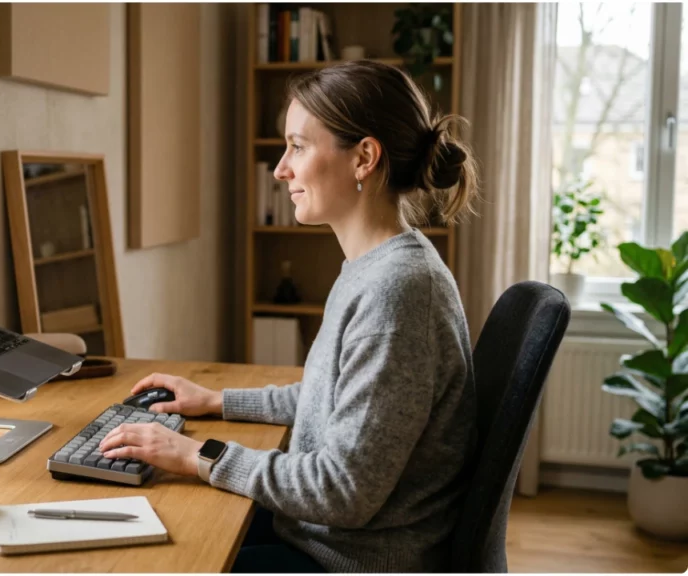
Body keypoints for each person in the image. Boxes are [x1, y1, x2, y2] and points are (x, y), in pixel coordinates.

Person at [98, 60, 479, 573]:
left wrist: (194, 455)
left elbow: (342, 490)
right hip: (319, 540)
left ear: (364, 158)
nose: (281, 169)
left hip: (345, 559)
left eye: (298, 147)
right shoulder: (375, 268)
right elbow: (332, 399)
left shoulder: (399, 291)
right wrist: (214, 400)